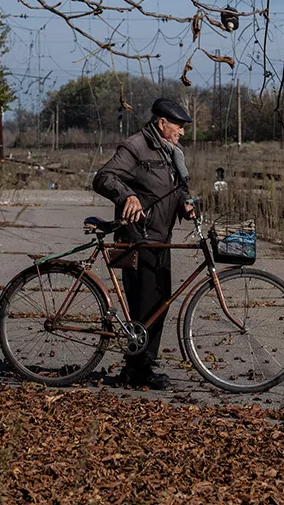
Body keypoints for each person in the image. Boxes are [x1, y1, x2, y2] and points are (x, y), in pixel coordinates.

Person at [92, 98, 195, 390]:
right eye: (179, 126)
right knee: (144, 303)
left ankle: (142, 364)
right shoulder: (135, 146)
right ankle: (137, 369)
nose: (182, 132)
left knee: (159, 302)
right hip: (138, 237)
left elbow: (177, 188)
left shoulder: (172, 153)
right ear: (162, 123)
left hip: (161, 238)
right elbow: (104, 178)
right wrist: (127, 196)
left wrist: (186, 203)